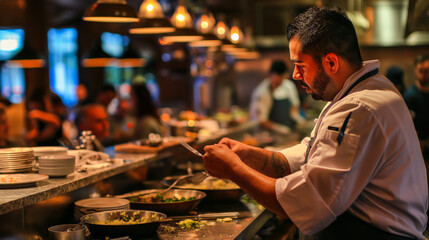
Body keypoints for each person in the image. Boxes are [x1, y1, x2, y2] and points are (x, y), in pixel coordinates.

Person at [203, 6, 427, 240]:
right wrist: (249, 155)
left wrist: (233, 169)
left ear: (331, 62)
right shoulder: (363, 90)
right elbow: (310, 153)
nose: (295, 75)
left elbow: (308, 202)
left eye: (300, 65)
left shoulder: (360, 108)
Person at [250, 60, 302, 132]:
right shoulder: (261, 92)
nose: (279, 82)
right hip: (268, 134)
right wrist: (279, 128)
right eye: (277, 80)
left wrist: (297, 119)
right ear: (270, 75)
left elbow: (294, 107)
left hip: (288, 130)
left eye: (282, 79)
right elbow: (261, 120)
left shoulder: (288, 86)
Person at [403, 55, 429, 159]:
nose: (423, 75)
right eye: (420, 71)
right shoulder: (409, 96)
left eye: (427, 71)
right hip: (417, 151)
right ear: (415, 71)